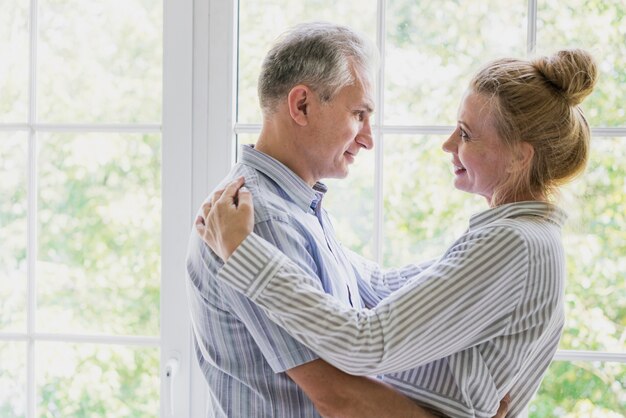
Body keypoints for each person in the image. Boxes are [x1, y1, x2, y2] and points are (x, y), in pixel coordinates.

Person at [196, 48, 598, 417]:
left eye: (466, 133)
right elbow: (381, 286)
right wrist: (307, 220)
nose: (447, 144)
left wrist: (245, 254)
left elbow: (365, 344)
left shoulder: (515, 245)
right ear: (300, 104)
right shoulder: (525, 239)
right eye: (359, 114)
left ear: (519, 157)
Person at [187, 21, 468, 417]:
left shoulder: (297, 209)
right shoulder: (262, 222)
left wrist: (484, 260)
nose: (368, 137)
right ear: (301, 105)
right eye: (359, 114)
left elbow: (379, 289)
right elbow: (339, 396)